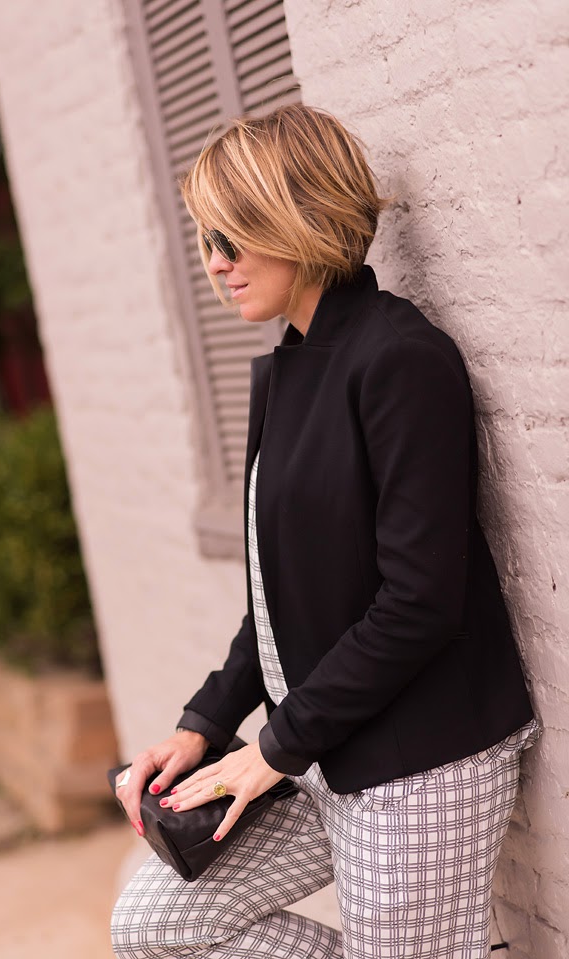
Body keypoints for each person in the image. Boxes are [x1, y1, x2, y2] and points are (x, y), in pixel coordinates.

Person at [110, 104, 539, 959]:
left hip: (418, 759)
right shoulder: (288, 370)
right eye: (207, 239)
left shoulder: (400, 359)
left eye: (233, 236)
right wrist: (204, 722)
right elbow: (275, 598)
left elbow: (420, 602)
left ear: (299, 219)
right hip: (319, 747)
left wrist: (272, 746)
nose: (216, 262)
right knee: (155, 924)